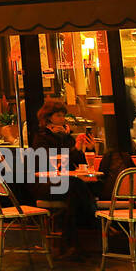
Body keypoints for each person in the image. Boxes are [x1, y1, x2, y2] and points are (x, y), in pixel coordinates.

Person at [30, 99, 96, 258]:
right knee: (74, 186)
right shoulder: (41, 138)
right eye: (58, 115)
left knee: (73, 192)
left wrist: (86, 148)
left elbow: (78, 163)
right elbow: (47, 162)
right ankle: (96, 219)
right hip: (45, 184)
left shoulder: (67, 137)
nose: (62, 119)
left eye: (63, 115)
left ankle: (70, 244)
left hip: (66, 183)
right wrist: (71, 150)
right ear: (48, 118)